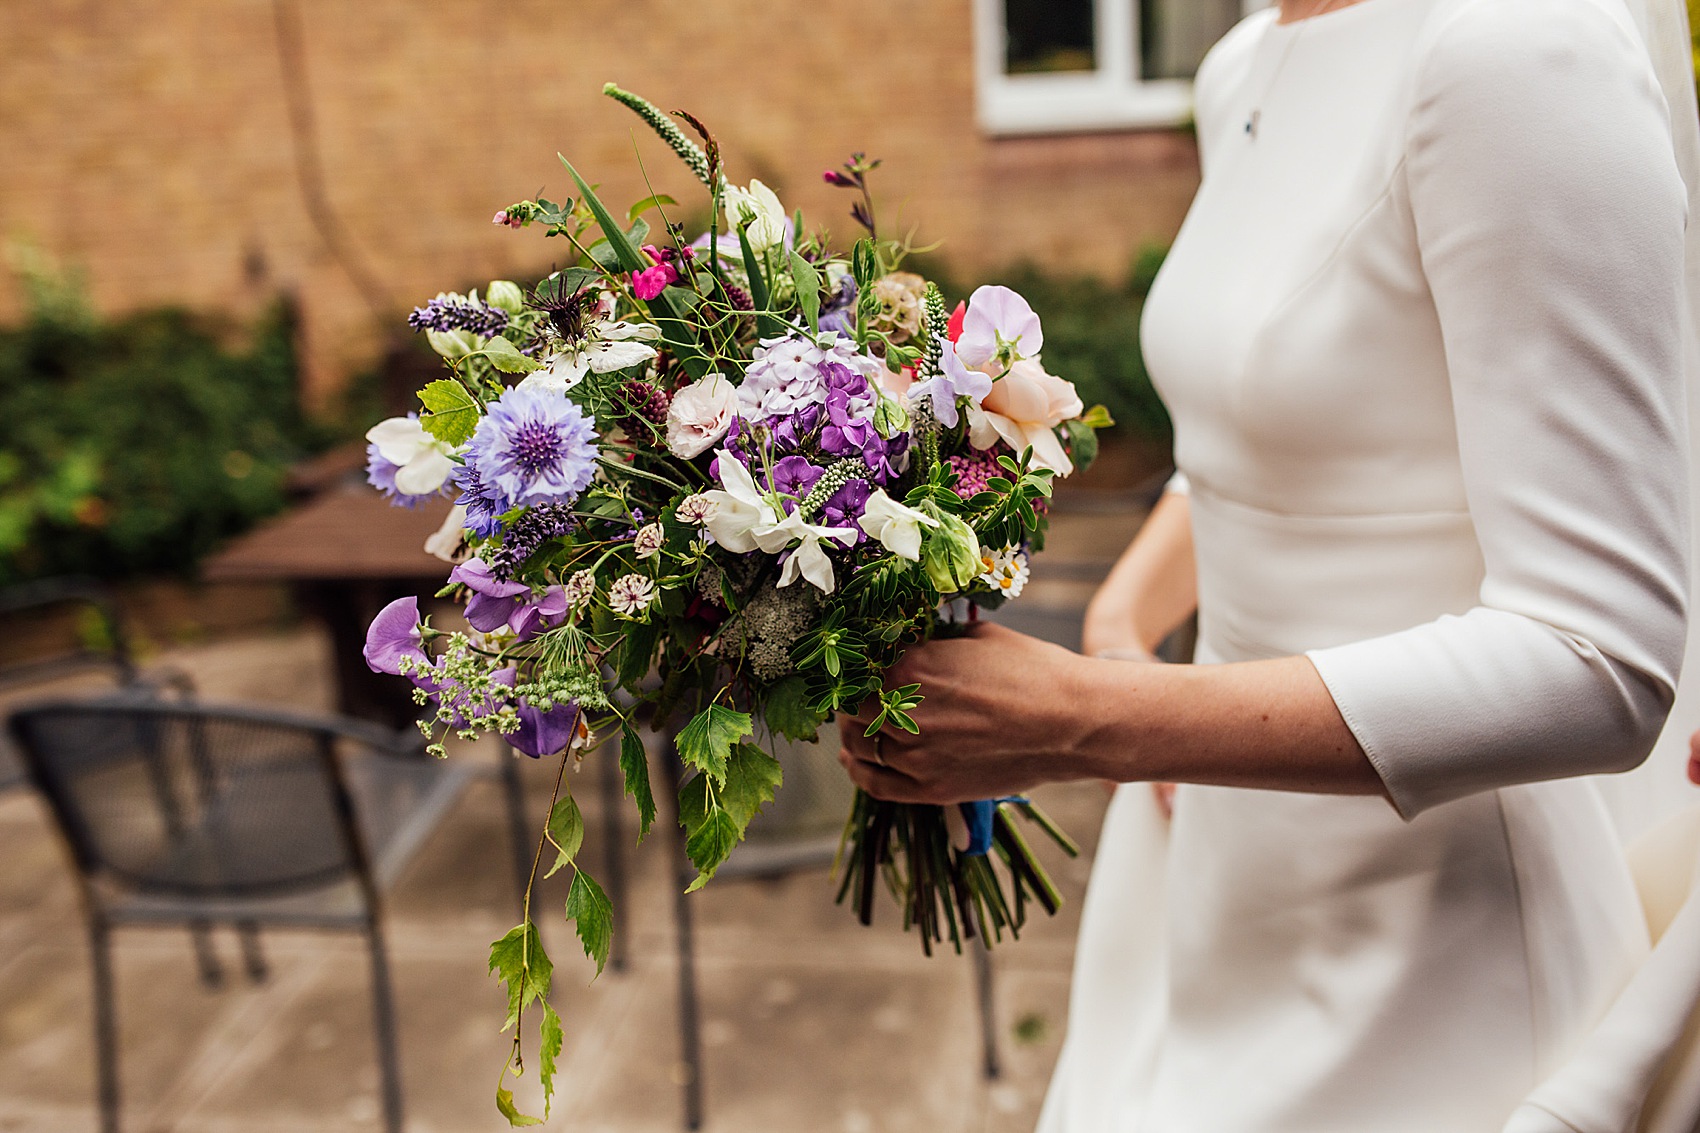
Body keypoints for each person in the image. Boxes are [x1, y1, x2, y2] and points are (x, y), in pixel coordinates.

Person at [839, 0, 1700, 1129]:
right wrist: (1118, 620)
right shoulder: (1243, 62)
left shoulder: (1513, 49)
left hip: (1434, 944)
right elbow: (1272, 438)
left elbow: (1597, 662)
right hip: (1209, 858)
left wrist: (1086, 716)